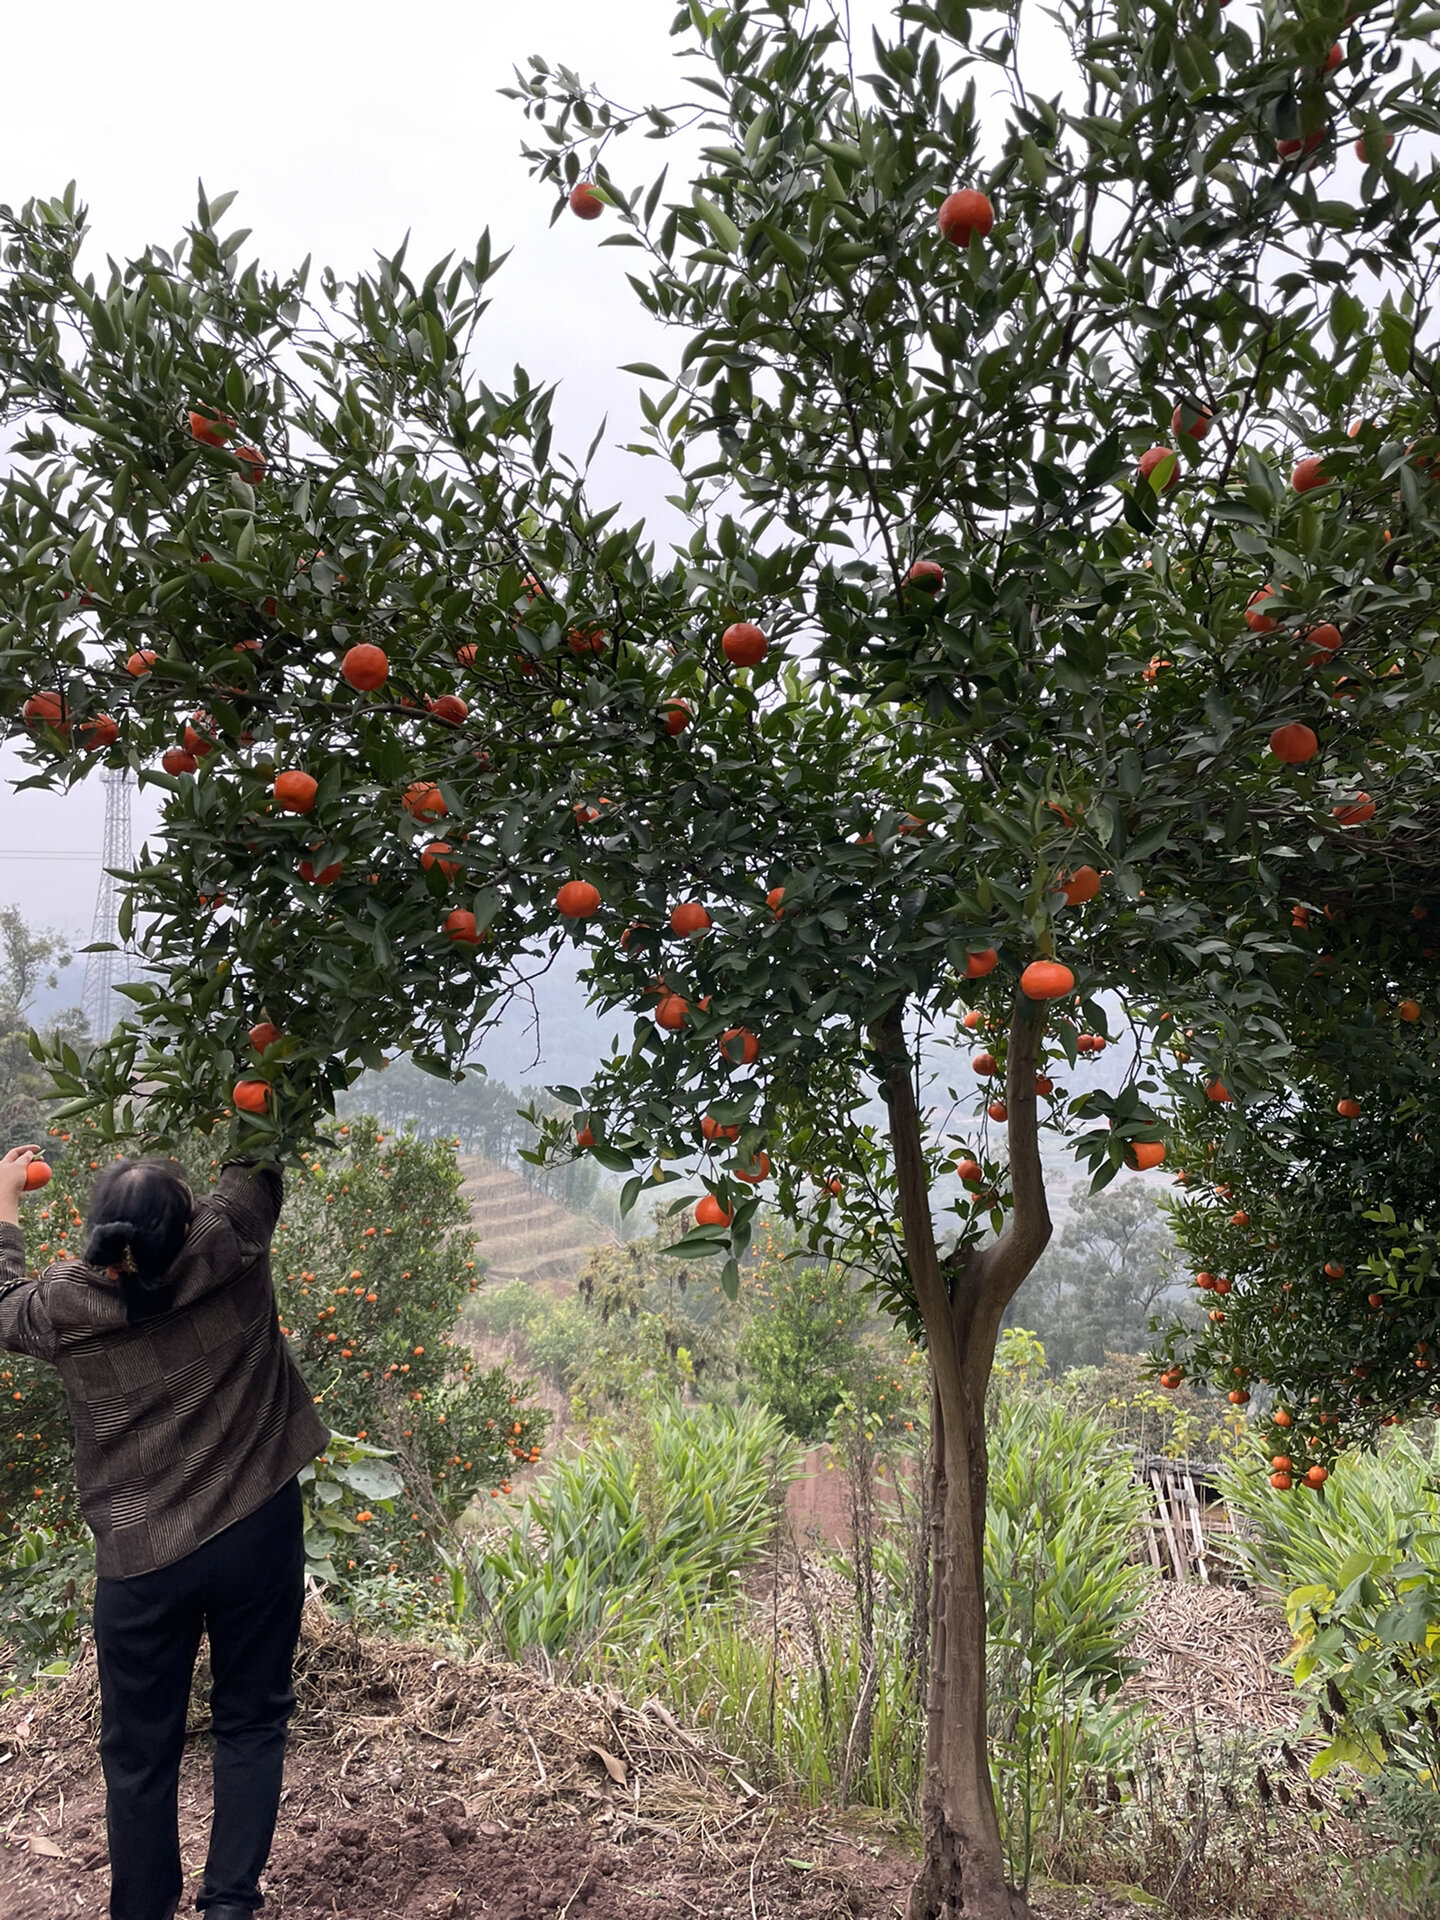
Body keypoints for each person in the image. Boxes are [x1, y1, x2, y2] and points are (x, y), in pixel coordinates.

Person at [0, 1143, 328, 1920]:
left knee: (140, 1754)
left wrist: (6, 1202)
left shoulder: (65, 1306)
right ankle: (228, 1905)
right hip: (255, 1527)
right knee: (251, 1720)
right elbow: (257, 1147)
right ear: (185, 1225)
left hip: (142, 1559)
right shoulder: (229, 1247)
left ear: (97, 1233)